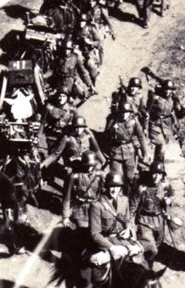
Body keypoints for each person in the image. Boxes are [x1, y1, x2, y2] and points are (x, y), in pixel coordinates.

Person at [60, 151, 104, 286]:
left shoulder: (100, 175)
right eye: (87, 165)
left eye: (92, 165)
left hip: (95, 209)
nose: (90, 168)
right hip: (80, 210)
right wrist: (66, 216)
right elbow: (67, 197)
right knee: (82, 237)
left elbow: (103, 194)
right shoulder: (75, 176)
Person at [88, 172, 136, 284]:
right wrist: (111, 247)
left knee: (139, 260)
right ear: (106, 187)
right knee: (100, 278)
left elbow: (127, 220)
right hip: (106, 242)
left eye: (117, 186)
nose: (114, 190)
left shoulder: (124, 200)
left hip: (122, 240)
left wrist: (128, 229)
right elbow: (95, 234)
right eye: (111, 186)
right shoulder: (97, 205)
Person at [0, 146, 40, 255]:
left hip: (21, 190)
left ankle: (38, 180)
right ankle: (14, 244)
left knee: (36, 162)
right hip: (10, 148)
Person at [130, 161, 174, 270]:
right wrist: (129, 223)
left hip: (159, 221)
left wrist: (169, 201)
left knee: (157, 246)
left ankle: (147, 266)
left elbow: (171, 195)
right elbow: (133, 205)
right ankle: (143, 270)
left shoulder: (165, 186)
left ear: (162, 175)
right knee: (150, 248)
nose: (156, 176)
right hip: (144, 221)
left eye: (159, 174)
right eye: (154, 173)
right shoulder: (142, 188)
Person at [41, 116, 105, 190]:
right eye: (76, 127)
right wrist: (43, 164)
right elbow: (55, 154)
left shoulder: (88, 136)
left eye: (81, 127)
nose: (78, 130)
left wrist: (103, 161)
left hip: (86, 165)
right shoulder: (67, 138)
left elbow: (97, 150)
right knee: (69, 184)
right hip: (72, 166)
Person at [104, 102, 149, 193]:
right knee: (117, 177)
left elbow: (140, 136)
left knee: (130, 177)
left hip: (130, 152)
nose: (125, 115)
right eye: (123, 112)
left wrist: (146, 153)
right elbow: (105, 136)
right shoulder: (113, 120)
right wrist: (112, 130)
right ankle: (117, 197)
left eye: (127, 112)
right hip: (115, 152)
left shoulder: (134, 121)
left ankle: (128, 196)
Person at [146, 79, 185, 163]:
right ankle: (158, 165)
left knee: (163, 146)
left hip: (167, 125)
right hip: (155, 123)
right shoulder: (155, 97)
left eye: (169, 89)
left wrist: (183, 109)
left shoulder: (174, 99)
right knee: (161, 144)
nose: (167, 91)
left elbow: (179, 115)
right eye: (166, 89)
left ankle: (158, 165)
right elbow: (147, 111)